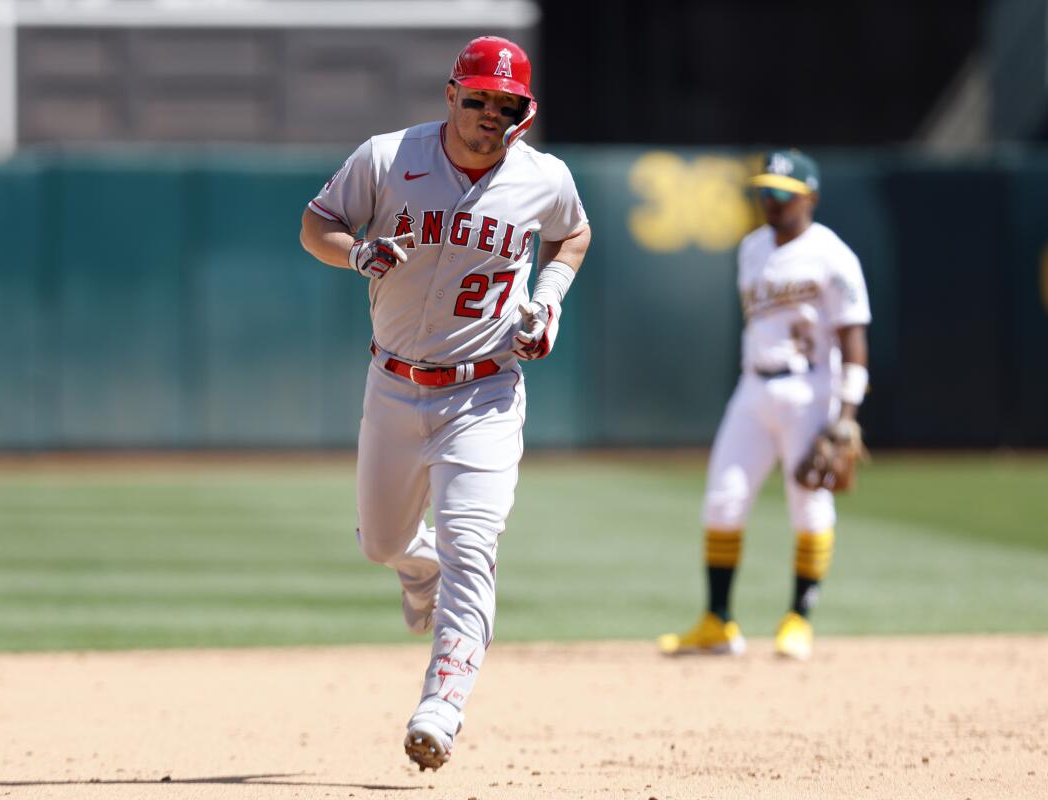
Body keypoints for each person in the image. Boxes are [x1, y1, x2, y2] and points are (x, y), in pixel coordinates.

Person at [298, 35, 590, 771]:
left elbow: (573, 235)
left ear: (524, 112)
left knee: (474, 548)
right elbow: (316, 226)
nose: (490, 113)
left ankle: (442, 705)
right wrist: (356, 252)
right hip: (394, 384)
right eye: (478, 98)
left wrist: (547, 302)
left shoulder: (542, 179)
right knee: (383, 544)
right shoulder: (388, 157)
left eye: (507, 104)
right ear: (451, 94)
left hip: (484, 393)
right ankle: (414, 567)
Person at [657, 149, 871, 662]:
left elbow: (854, 339)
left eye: (782, 193)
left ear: (809, 198)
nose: (770, 200)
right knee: (723, 499)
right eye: (764, 191)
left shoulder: (832, 255)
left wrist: (845, 418)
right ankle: (717, 621)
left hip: (810, 388)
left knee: (809, 502)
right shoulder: (751, 248)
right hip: (753, 387)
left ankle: (799, 617)